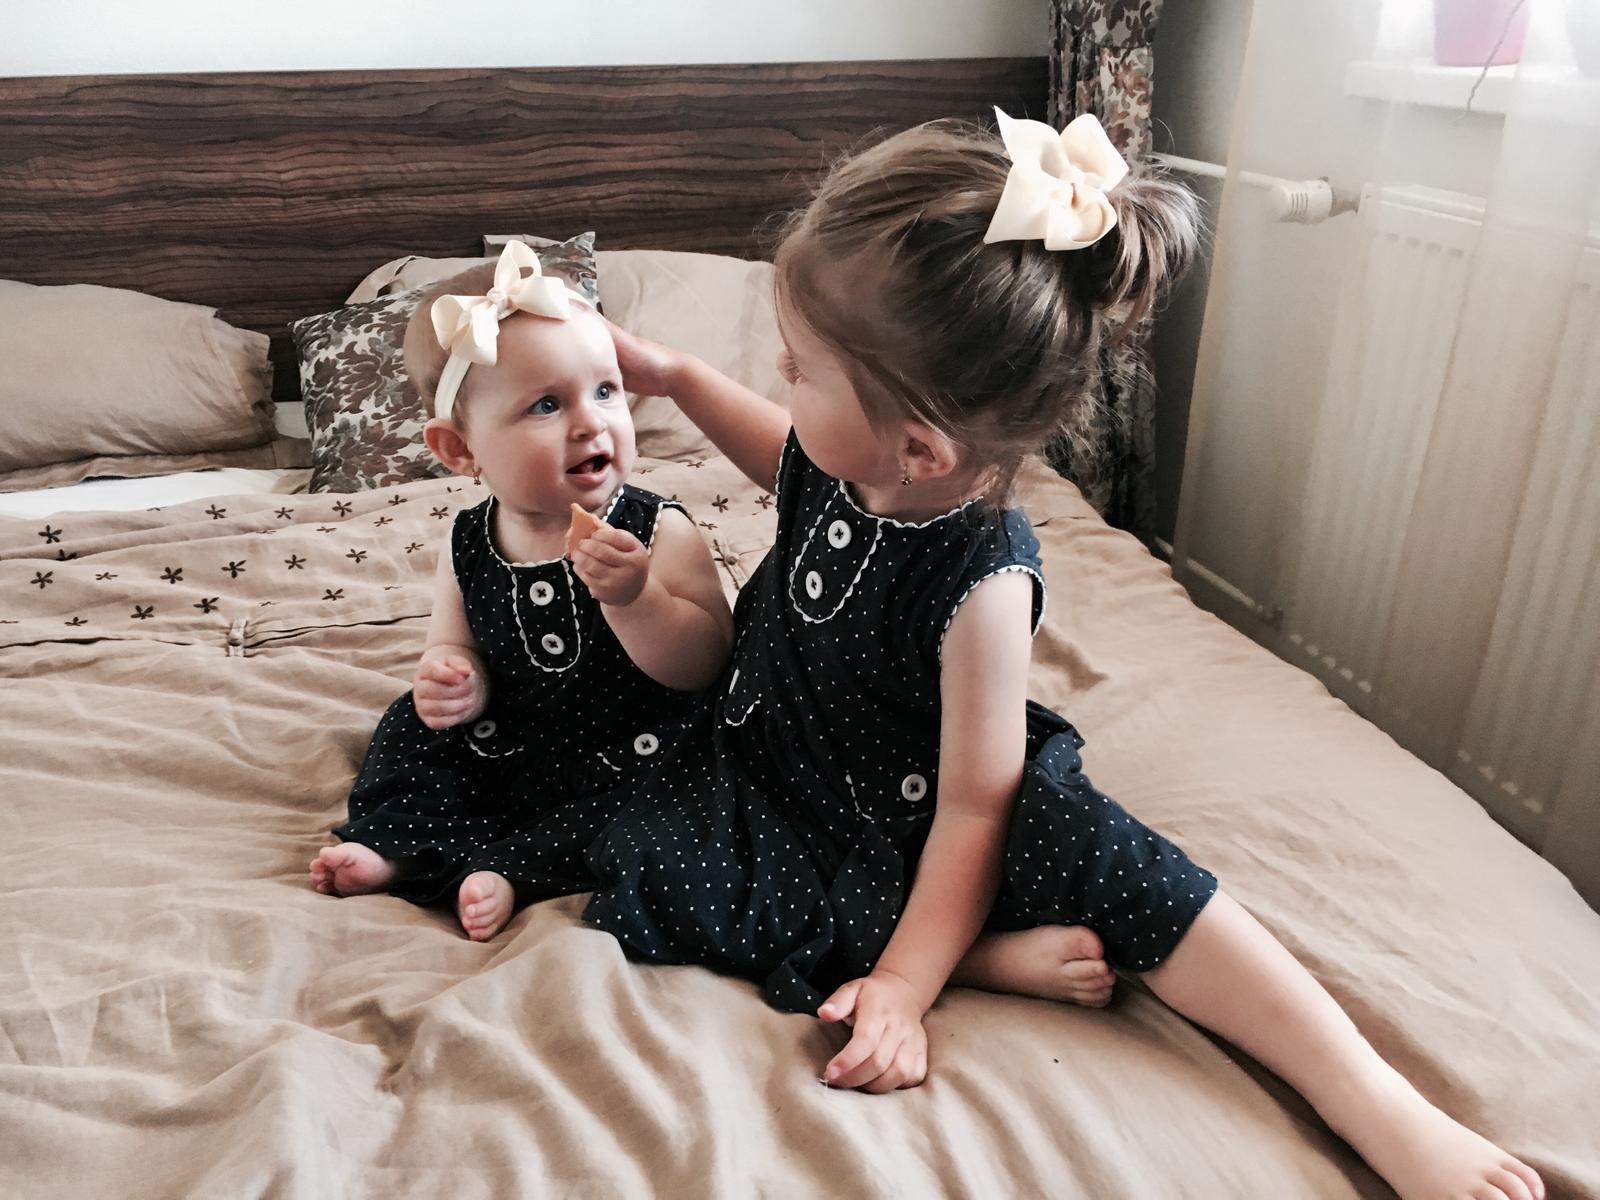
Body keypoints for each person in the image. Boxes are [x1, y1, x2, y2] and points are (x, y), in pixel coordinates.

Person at [582, 112, 1544, 1200]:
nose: (779, 380)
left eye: (799, 369)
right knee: (651, 860)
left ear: (919, 446)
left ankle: (1376, 1103)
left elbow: (974, 810)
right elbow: (784, 455)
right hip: (783, 757)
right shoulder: (850, 461)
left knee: (1129, 869)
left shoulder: (981, 588)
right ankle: (987, 957)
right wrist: (672, 375)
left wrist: (902, 987)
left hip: (931, 807)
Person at [310, 244, 734, 941]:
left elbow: (705, 664)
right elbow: (453, 645)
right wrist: (454, 681)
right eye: (546, 404)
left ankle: (514, 869)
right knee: (410, 730)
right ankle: (397, 843)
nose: (591, 422)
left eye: (606, 391)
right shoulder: (468, 541)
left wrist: (638, 600)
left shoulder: (660, 530)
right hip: (514, 741)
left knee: (675, 798)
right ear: (460, 450)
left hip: (635, 746)